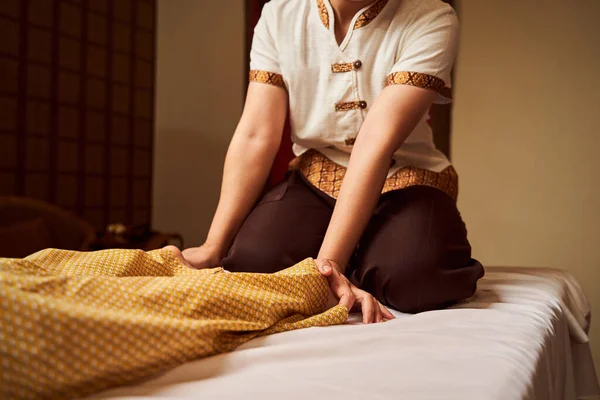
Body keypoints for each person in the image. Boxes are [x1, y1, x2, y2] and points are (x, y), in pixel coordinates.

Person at [179, 0, 484, 323]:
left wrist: (327, 267)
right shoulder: (279, 14)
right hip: (316, 177)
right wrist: (213, 247)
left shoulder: (431, 16)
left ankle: (365, 256)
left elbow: (375, 142)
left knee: (413, 279)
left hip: (406, 178)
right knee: (254, 262)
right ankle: (361, 259)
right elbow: (256, 135)